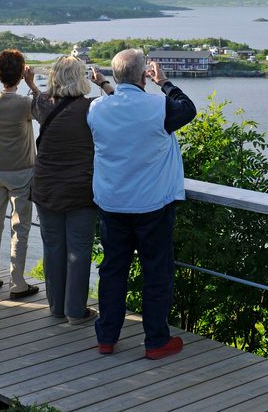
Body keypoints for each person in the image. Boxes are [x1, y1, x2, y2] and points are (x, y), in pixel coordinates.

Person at [87, 49, 196, 359]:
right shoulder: (159, 107)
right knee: (156, 274)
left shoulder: (96, 109)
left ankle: (106, 338)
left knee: (113, 272)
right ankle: (156, 341)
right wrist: (165, 82)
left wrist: (104, 85)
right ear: (143, 76)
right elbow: (188, 109)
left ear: (116, 75)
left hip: (112, 204)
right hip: (153, 205)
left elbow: (121, 107)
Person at [31, 57, 114, 323]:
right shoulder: (92, 108)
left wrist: (32, 84)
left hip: (46, 187)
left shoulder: (42, 103)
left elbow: (40, 100)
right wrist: (103, 83)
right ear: (81, 78)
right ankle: (76, 311)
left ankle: (56, 307)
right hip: (80, 188)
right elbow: (119, 105)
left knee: (53, 248)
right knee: (79, 251)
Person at [0, 49, 41, 299]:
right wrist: (32, 85)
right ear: (20, 74)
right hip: (22, 172)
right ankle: (18, 283)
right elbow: (45, 109)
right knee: (20, 228)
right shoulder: (25, 103)